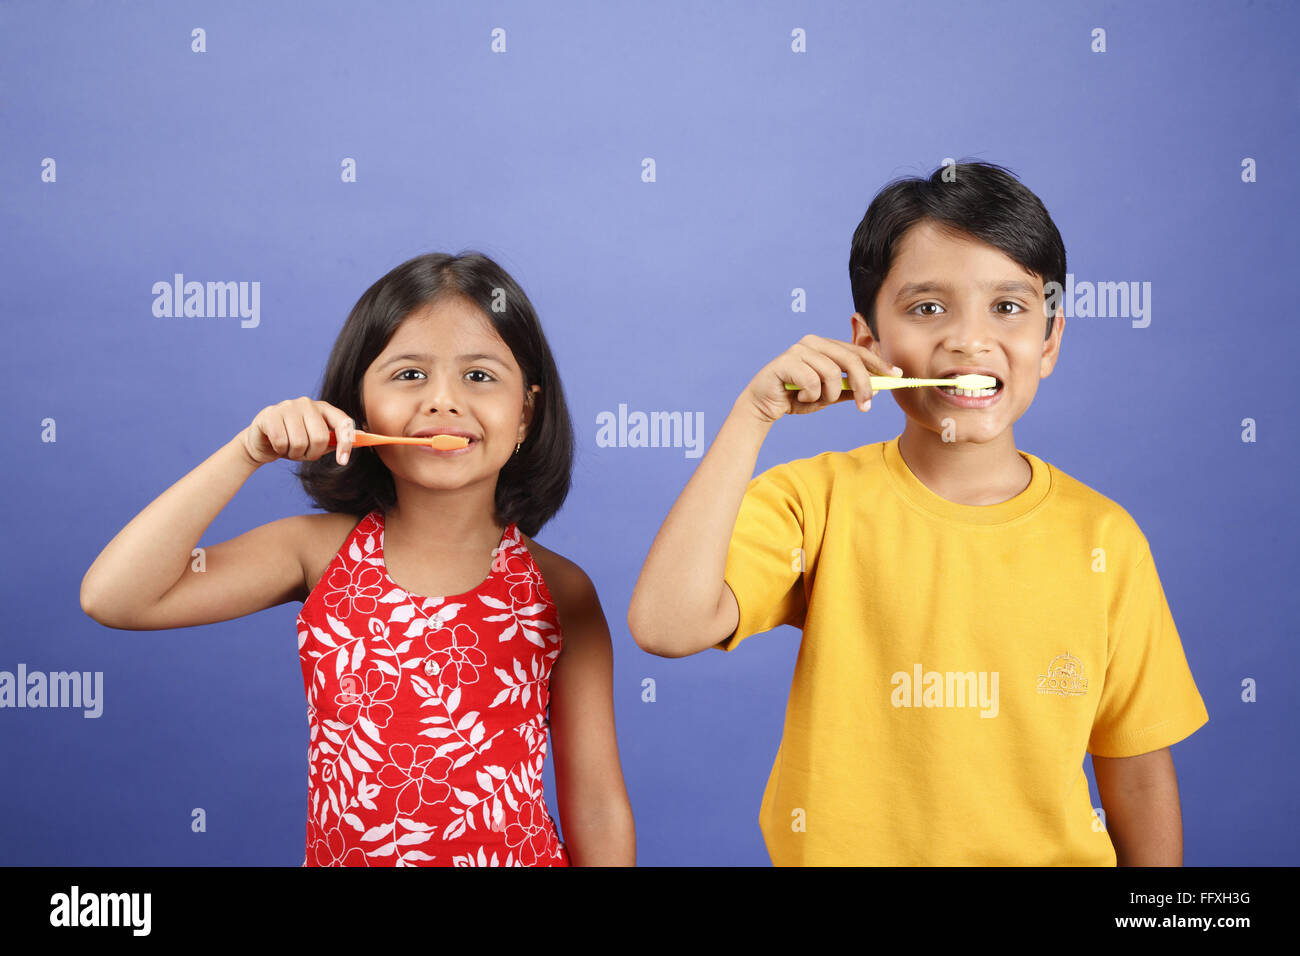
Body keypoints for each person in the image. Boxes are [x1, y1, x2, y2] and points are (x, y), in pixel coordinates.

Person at [628, 161, 1208, 866]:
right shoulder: (816, 503)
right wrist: (754, 416)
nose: (969, 340)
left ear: (1050, 341)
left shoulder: (1104, 540)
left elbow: (1139, 775)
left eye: (1009, 307)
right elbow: (665, 625)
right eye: (928, 308)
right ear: (867, 342)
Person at [81, 251, 634, 867]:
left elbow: (597, 807)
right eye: (408, 375)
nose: (443, 402)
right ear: (356, 409)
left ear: (526, 413)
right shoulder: (314, 554)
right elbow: (115, 597)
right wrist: (246, 451)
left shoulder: (561, 590)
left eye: (479, 376)